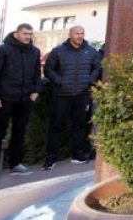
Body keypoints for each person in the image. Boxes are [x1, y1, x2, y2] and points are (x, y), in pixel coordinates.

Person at [0, 24, 42, 183]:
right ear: (16, 34)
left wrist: (36, 91)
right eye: (25, 33)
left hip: (25, 99)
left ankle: (15, 164)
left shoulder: (34, 52)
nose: (28, 36)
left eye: (30, 34)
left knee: (19, 132)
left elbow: (37, 73)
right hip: (4, 98)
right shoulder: (2, 50)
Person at [43, 26, 102, 170]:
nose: (80, 36)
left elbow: (97, 68)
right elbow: (49, 69)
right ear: (70, 35)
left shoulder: (91, 51)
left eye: (82, 33)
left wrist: (89, 80)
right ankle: (51, 157)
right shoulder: (58, 51)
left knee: (80, 126)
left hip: (82, 94)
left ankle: (78, 155)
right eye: (77, 33)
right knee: (56, 126)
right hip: (62, 95)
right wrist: (59, 81)